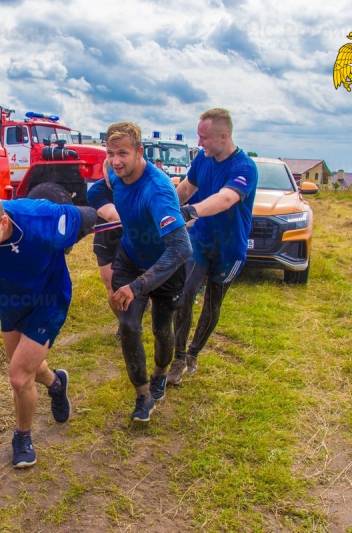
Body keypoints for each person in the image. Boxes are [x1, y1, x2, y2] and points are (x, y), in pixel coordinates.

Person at [0, 190, 97, 468]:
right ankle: (56, 383)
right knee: (27, 368)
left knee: (18, 377)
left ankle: (22, 437)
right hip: (8, 301)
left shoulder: (41, 220)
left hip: (47, 300)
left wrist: (119, 214)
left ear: (3, 223)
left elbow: (90, 215)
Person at [87, 122, 192, 423]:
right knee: (130, 326)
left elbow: (180, 248)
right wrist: (111, 212)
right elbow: (95, 193)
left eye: (122, 153)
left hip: (166, 266)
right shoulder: (113, 173)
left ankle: (161, 371)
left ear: (139, 152)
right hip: (130, 259)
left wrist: (139, 286)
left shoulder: (158, 190)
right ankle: (142, 394)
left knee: (161, 329)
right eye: (110, 153)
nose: (115, 160)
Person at [168, 108, 258, 385]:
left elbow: (225, 199)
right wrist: (164, 208)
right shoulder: (202, 160)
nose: (199, 143)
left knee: (213, 303)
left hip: (230, 250)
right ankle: (179, 358)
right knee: (183, 295)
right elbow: (184, 190)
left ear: (223, 136)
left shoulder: (244, 167)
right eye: (198, 136)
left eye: (203, 137)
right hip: (201, 242)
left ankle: (194, 352)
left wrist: (190, 212)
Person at [92, 159, 123, 339]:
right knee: (112, 288)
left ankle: (135, 314)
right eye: (110, 173)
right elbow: (112, 215)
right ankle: (124, 323)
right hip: (106, 242)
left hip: (134, 240)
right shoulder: (97, 190)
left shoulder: (138, 186)